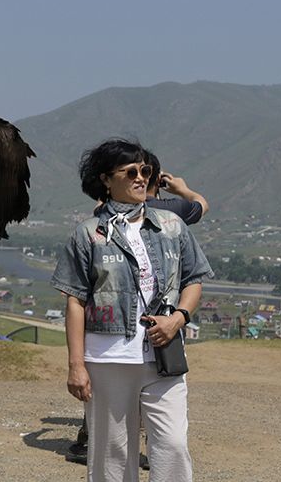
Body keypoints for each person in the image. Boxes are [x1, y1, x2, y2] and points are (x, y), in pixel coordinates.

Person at [53, 138, 210, 482]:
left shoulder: (172, 226)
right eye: (131, 172)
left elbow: (194, 279)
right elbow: (75, 301)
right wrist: (76, 366)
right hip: (107, 359)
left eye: (146, 171)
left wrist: (178, 319)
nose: (142, 178)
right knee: (113, 456)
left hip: (164, 357)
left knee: (172, 446)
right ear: (106, 180)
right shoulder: (87, 235)